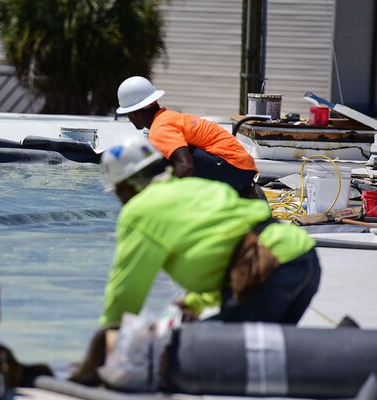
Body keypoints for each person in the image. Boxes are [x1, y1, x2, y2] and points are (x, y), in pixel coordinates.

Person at [98, 135, 320, 328]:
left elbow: (127, 289)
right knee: (269, 351)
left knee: (190, 349)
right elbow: (227, 245)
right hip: (303, 257)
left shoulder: (139, 211)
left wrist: (109, 336)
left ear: (126, 187)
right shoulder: (196, 186)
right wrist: (195, 302)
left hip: (266, 270)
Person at [116, 76, 259, 196]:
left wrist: (163, 198)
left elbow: (186, 167)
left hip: (235, 170)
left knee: (163, 160)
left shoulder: (159, 129)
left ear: (134, 113)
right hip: (240, 168)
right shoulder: (168, 117)